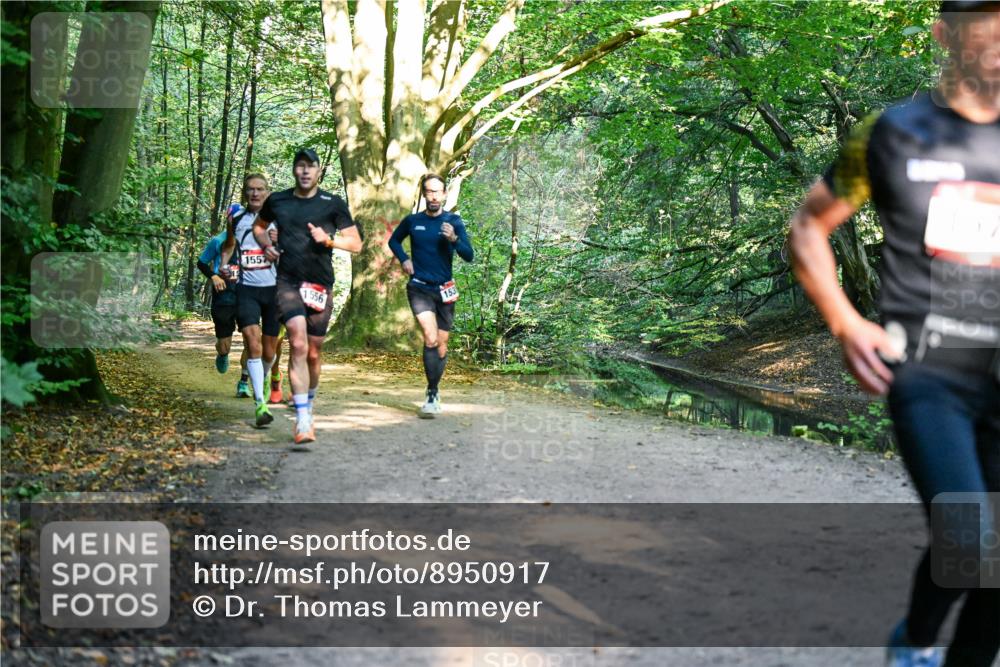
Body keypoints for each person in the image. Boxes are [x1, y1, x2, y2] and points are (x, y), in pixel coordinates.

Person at [787, 3, 999, 666]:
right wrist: (847, 321)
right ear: (944, 36)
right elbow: (808, 227)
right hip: (931, 373)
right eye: (983, 25)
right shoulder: (892, 133)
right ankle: (914, 644)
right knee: (971, 543)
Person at [254, 148, 363, 445]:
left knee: (314, 353)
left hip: (320, 285)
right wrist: (266, 247)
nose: (305, 171)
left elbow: (356, 244)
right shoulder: (278, 200)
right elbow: (259, 227)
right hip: (287, 281)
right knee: (297, 343)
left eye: (310, 167)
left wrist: (329, 240)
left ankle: (307, 401)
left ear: (318, 172)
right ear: (294, 170)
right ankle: (303, 420)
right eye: (300, 166)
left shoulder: (332, 203)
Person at [388, 173, 474, 418]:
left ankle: (435, 388)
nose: (433, 196)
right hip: (419, 287)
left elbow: (469, 255)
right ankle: (431, 394)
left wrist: (454, 239)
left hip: (445, 289)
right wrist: (405, 260)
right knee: (430, 338)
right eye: (429, 191)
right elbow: (394, 241)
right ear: (423, 194)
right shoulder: (413, 221)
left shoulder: (453, 221)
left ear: (444, 194)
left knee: (442, 345)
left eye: (438, 191)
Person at [229, 173, 282, 427]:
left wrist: (278, 244)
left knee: (269, 351)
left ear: (267, 193)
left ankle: (261, 377)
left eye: (260, 189)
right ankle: (260, 404)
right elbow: (229, 246)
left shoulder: (279, 221)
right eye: (250, 189)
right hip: (246, 290)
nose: (255, 193)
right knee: (253, 342)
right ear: (245, 192)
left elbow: (292, 253)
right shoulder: (236, 219)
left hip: (273, 291)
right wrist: (223, 266)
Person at [196, 216, 249, 397]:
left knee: (251, 339)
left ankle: (243, 382)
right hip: (224, 296)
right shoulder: (218, 241)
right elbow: (201, 262)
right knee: (224, 345)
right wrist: (214, 276)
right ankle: (223, 354)